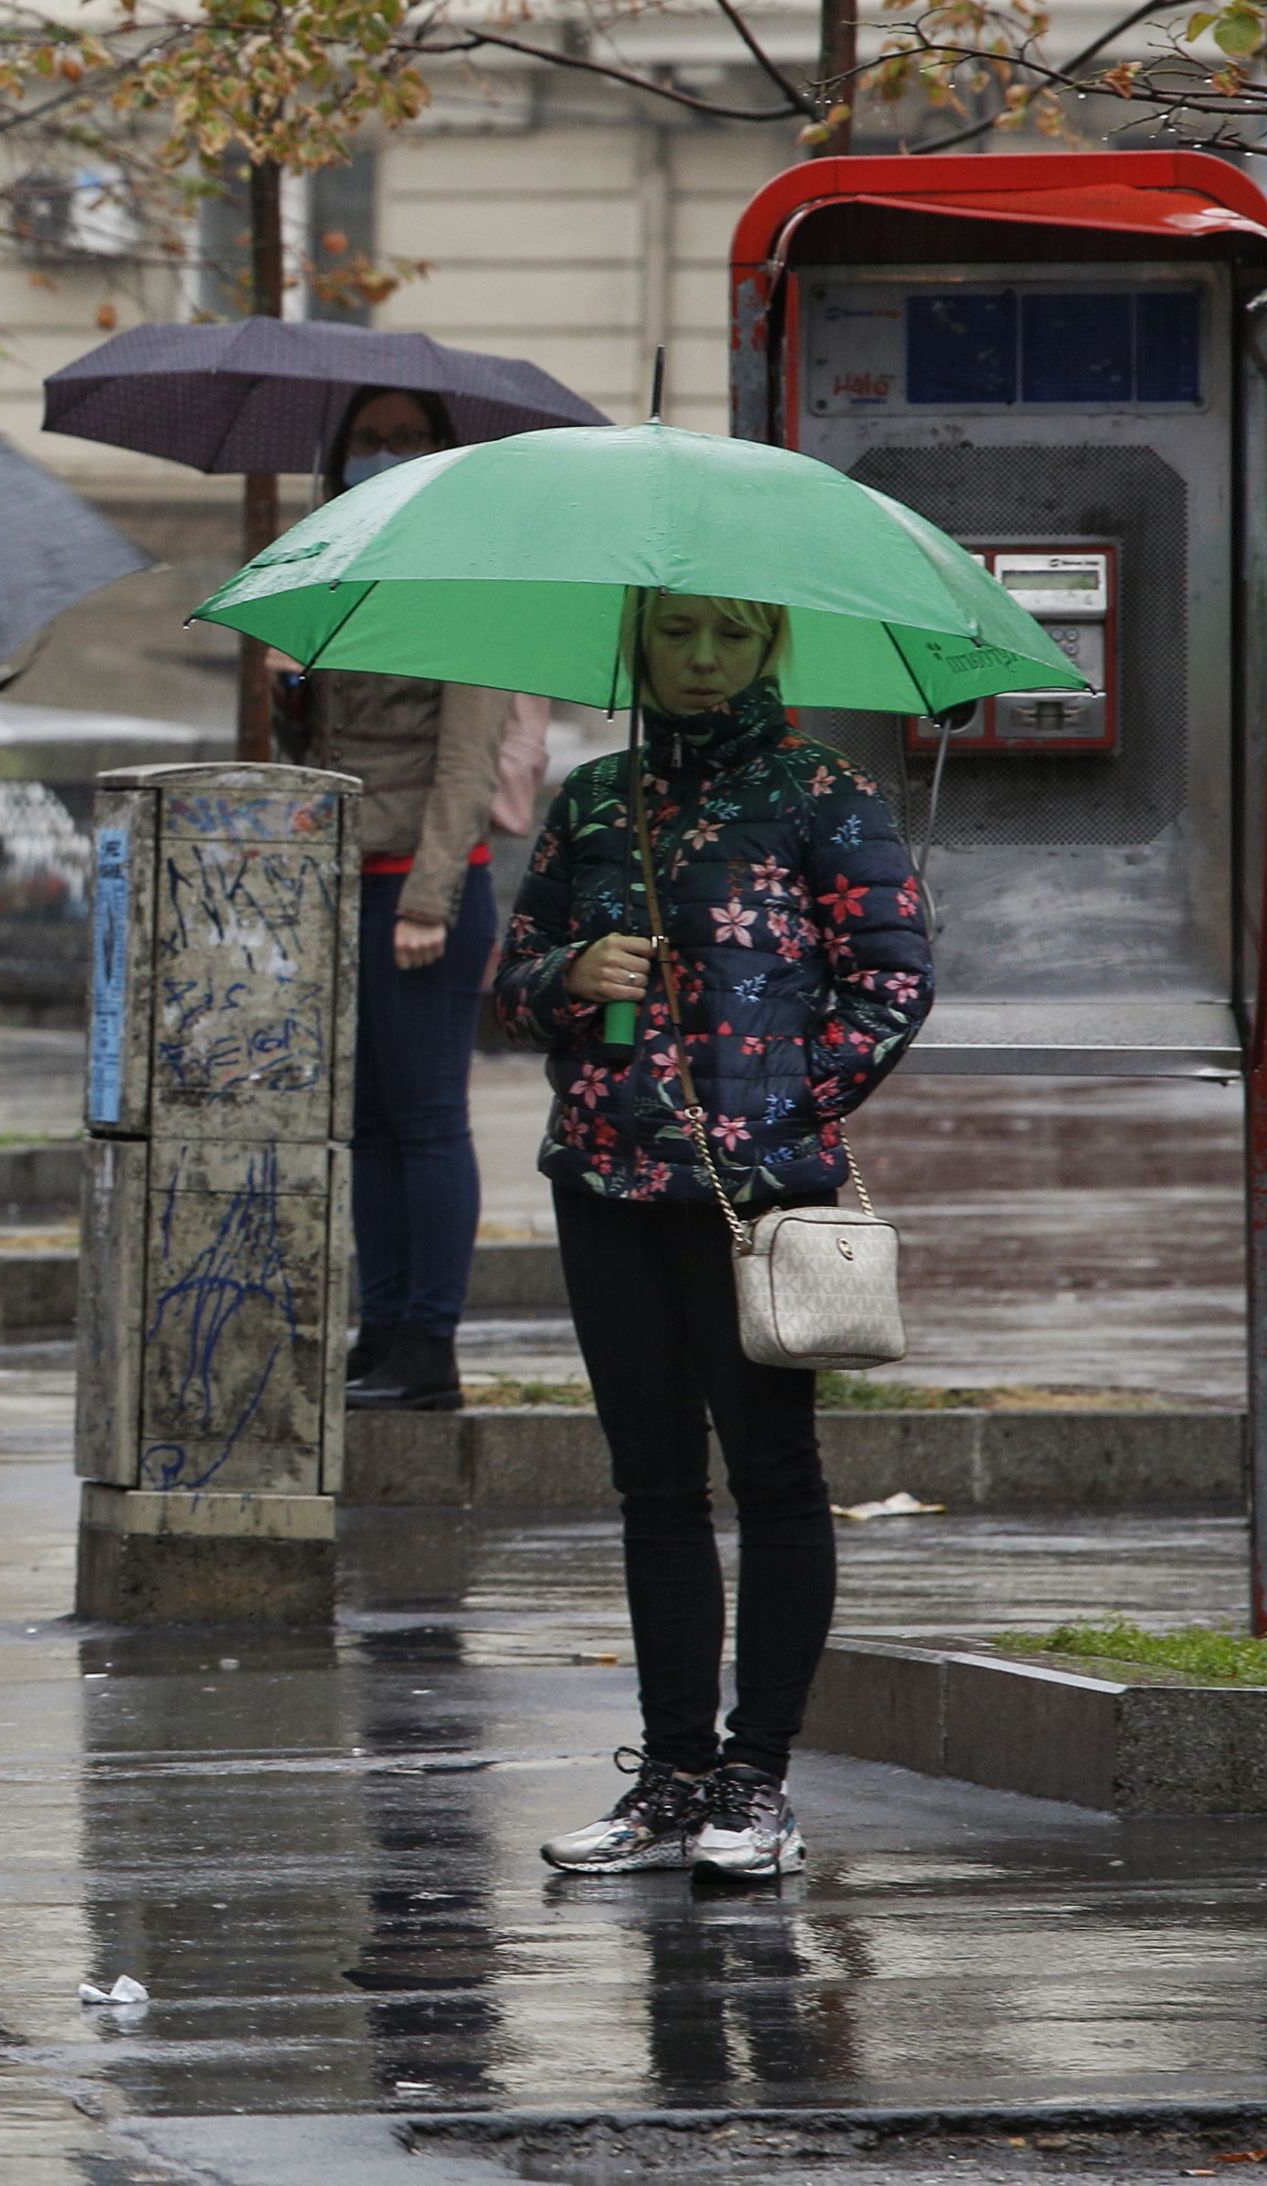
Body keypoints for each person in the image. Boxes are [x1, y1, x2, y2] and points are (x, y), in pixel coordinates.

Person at [496, 591, 928, 1883]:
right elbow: (511, 982)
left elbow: (893, 980)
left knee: (775, 1476)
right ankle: (673, 1776)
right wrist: (570, 978)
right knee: (653, 1486)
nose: (699, 661)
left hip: (758, 1202)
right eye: (677, 633)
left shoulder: (821, 794)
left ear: (767, 646)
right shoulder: (591, 798)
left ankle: (760, 1780)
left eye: (729, 637)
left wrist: (782, 1106)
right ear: (638, 638)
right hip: (607, 1180)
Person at [288, 386, 514, 1415]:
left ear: (440, 451)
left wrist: (428, 896)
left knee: (425, 1121)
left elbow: (466, 758)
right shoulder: (332, 569)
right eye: (368, 439)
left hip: (421, 890)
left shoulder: (462, 578)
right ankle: (379, 1330)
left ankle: (428, 1342)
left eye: (406, 437)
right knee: (367, 1124)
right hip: (343, 878)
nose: (385, 454)